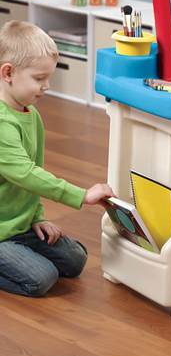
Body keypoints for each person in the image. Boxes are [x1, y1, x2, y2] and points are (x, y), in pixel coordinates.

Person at [0, 20, 114, 297]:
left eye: (48, 78)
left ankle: (20, 246)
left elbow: (34, 170)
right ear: (8, 73)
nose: (47, 86)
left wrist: (36, 217)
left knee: (75, 260)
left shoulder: (30, 113)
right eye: (39, 79)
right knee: (41, 279)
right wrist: (81, 195)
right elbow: (26, 173)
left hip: (19, 224)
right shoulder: (2, 123)